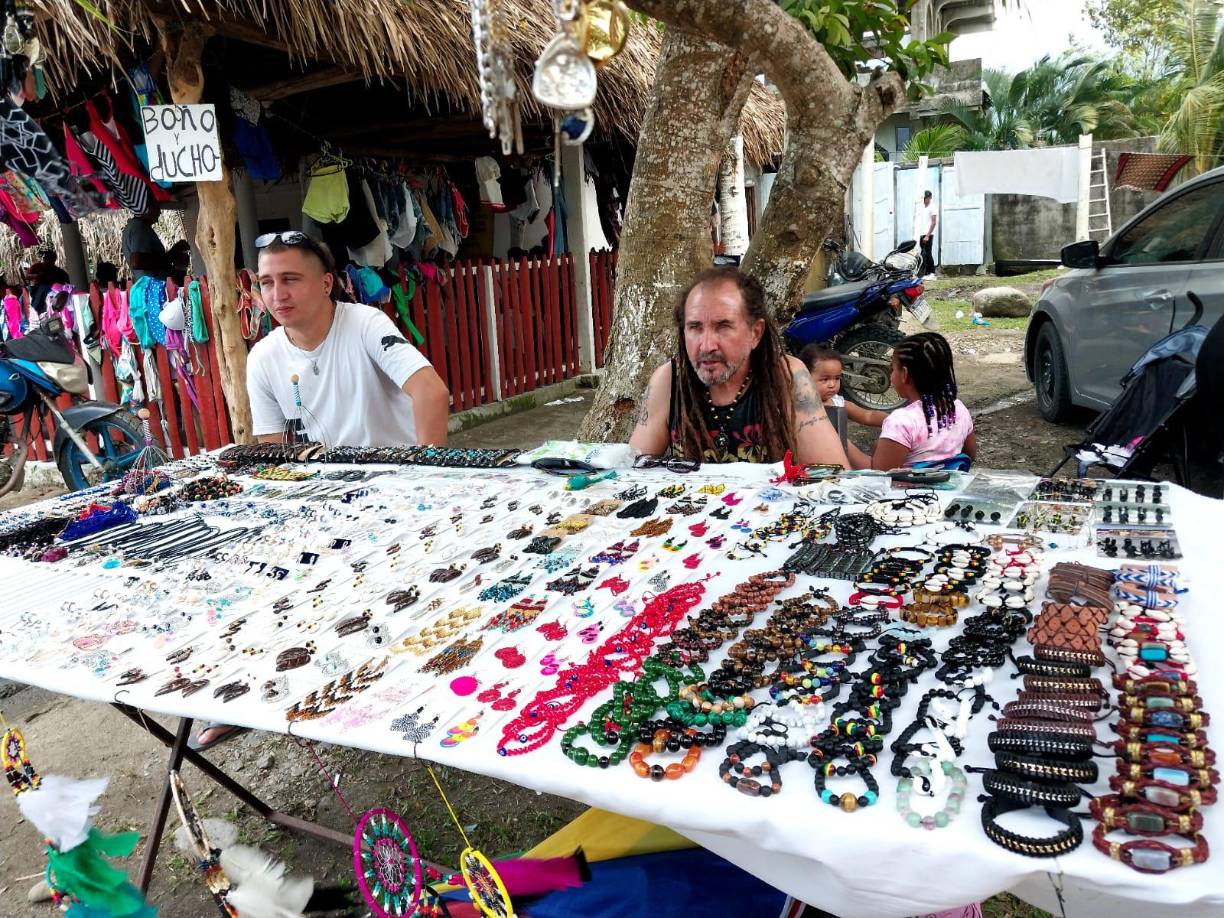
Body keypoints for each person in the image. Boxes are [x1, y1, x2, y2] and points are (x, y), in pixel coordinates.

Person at [193, 230, 449, 752]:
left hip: (402, 489)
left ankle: (415, 688)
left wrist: (428, 472)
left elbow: (430, 391)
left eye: (291, 279)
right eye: (266, 282)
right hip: (326, 499)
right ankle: (251, 695)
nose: (277, 294)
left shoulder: (364, 325)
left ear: (327, 282)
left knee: (411, 599)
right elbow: (272, 451)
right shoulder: (263, 358)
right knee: (278, 588)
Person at [630, 267, 849, 467]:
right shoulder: (670, 379)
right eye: (695, 327)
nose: (706, 345)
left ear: (755, 333)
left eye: (723, 326)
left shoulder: (787, 376)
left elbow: (832, 475)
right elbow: (634, 472)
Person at [868, 332, 975, 470]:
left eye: (892, 369)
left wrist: (840, 442)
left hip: (908, 491)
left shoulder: (901, 421)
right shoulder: (958, 408)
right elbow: (970, 454)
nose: (891, 374)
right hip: (947, 488)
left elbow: (880, 475)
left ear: (905, 374)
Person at [800, 344, 888, 468]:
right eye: (825, 379)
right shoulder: (798, 405)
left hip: (838, 455)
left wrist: (894, 420)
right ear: (804, 378)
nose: (832, 384)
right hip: (807, 456)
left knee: (844, 444)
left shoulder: (838, 402)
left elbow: (867, 415)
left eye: (836, 378)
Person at [121, 203, 167, 279]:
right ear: (146, 209)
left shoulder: (134, 227)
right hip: (151, 285)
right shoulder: (139, 228)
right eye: (156, 207)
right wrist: (169, 257)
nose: (159, 212)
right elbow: (137, 262)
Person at [914, 190, 937, 280]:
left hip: (928, 234)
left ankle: (932, 272)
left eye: (926, 198)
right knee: (923, 254)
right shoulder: (923, 208)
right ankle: (926, 272)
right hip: (922, 234)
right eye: (923, 198)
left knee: (928, 253)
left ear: (930, 198)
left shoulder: (932, 207)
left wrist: (927, 235)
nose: (924, 200)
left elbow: (933, 222)